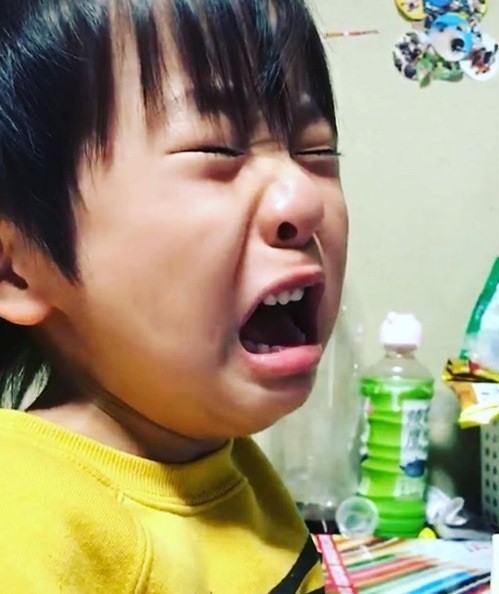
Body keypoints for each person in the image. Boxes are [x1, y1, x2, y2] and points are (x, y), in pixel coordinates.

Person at [0, 0, 347, 591]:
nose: (303, 199)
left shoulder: (227, 464)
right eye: (217, 150)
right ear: (17, 270)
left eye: (315, 150)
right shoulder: (25, 516)